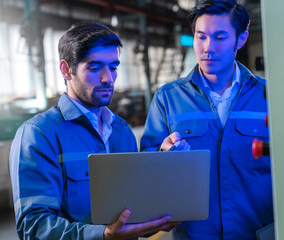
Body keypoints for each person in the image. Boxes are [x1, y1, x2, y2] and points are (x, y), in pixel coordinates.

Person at [9, 22, 179, 240]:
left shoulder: (121, 131)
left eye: (113, 67)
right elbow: (33, 228)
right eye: (95, 67)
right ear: (66, 70)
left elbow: (133, 212)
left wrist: (163, 183)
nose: (108, 78)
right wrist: (104, 235)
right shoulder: (39, 135)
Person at [140, 0, 273, 239]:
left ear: (240, 40)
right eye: (201, 37)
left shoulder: (269, 96)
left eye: (220, 37)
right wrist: (163, 154)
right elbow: (146, 171)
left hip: (256, 232)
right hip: (195, 234)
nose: (207, 47)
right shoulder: (168, 99)